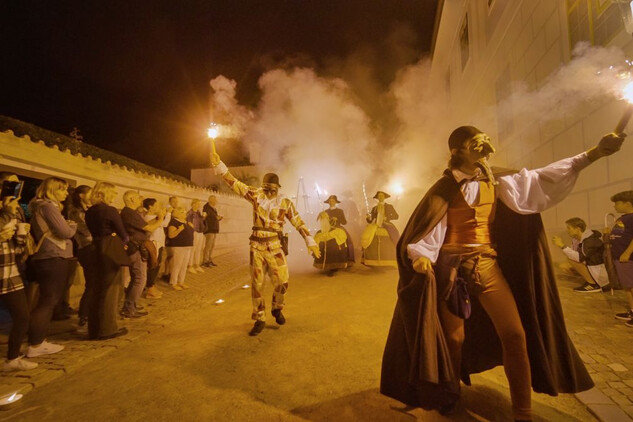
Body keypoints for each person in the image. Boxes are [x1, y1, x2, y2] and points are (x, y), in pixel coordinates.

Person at [381, 126, 623, 421]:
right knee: (454, 339)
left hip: (487, 265)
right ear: (457, 152)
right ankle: (451, 398)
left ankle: (522, 411)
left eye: (485, 140)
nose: (484, 146)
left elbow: (546, 176)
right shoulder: (443, 189)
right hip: (451, 271)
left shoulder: (500, 181)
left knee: (515, 334)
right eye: (475, 143)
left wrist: (595, 153)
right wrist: (420, 257)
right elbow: (430, 228)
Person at [210, 149, 320, 336]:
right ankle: (260, 317)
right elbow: (234, 184)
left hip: (275, 246)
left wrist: (310, 240)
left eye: (271, 189)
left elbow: (298, 222)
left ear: (278, 188)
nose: (268, 192)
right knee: (257, 284)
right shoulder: (255, 195)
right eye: (265, 188)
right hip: (257, 247)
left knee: (283, 282)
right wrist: (219, 166)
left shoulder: (285, 203)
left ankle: (277, 307)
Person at [27, 177, 77, 357]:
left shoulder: (39, 206)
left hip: (47, 256)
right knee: (48, 302)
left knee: (46, 301)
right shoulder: (48, 207)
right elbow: (65, 232)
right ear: (52, 190)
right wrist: (72, 226)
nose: (66, 193)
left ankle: (38, 340)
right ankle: (35, 344)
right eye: (62, 190)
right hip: (53, 255)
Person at [85, 182, 129, 340]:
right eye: (112, 193)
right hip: (109, 250)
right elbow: (123, 234)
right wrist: (122, 242)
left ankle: (94, 329)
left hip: (95, 248)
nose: (114, 196)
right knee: (111, 290)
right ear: (104, 194)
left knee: (97, 290)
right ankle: (107, 329)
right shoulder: (109, 210)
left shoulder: (89, 211)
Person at [0, 197, 37, 370]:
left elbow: (17, 251)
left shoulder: (7, 217)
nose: (16, 207)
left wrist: (21, 237)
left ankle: (12, 359)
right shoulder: (5, 215)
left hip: (10, 274)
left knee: (22, 316)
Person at [120, 190, 165, 318]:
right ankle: (129, 308)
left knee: (137, 278)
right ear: (132, 199)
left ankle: (130, 305)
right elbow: (149, 228)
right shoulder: (129, 212)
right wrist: (161, 218)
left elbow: (144, 225)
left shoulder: (131, 213)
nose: (141, 200)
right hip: (136, 248)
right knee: (140, 279)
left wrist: (156, 218)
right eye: (139, 197)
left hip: (136, 247)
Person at [552, 217, 608, 293]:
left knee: (571, 260)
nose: (567, 231)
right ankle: (590, 280)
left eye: (569, 228)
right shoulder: (576, 239)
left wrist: (562, 245)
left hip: (600, 271)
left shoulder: (590, 240)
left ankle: (593, 285)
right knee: (565, 265)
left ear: (577, 229)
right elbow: (572, 254)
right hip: (591, 266)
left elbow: (579, 258)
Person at [65, 185, 94, 330]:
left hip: (91, 246)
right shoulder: (74, 210)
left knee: (93, 282)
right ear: (82, 195)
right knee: (92, 282)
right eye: (90, 193)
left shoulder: (87, 208)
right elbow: (83, 228)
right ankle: (84, 314)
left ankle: (86, 313)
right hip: (86, 247)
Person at [609, 191, 633, 327]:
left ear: (628, 204)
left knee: (631, 286)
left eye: (617, 203)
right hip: (620, 256)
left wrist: (627, 253)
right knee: (627, 286)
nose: (615, 206)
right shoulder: (625, 218)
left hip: (627, 258)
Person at [361, 191, 399, 267]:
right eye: (379, 196)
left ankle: (395, 256)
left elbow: (396, 216)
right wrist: (368, 218)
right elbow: (370, 220)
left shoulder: (389, 206)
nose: (380, 197)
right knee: (367, 236)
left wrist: (387, 217)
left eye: (382, 196)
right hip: (376, 225)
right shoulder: (374, 208)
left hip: (387, 224)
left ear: (384, 197)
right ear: (377, 198)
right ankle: (372, 260)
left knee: (395, 236)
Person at [142, 198, 167, 299]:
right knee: (153, 265)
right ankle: (150, 288)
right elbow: (163, 224)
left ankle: (152, 285)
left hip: (159, 244)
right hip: (153, 244)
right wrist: (165, 215)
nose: (158, 207)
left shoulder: (156, 217)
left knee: (157, 265)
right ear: (150, 206)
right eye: (156, 205)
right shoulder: (148, 217)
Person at [313, 210, 351, 276]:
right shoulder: (326, 211)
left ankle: (334, 267)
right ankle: (325, 264)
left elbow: (343, 221)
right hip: (324, 231)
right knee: (321, 243)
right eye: (321, 220)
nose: (322, 221)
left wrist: (335, 220)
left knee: (333, 246)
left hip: (335, 227)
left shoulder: (340, 211)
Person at [166, 206, 194, 290]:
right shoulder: (174, 222)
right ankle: (173, 282)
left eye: (184, 211)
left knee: (184, 265)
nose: (184, 213)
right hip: (179, 246)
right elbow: (171, 235)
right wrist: (179, 230)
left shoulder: (186, 222)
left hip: (187, 246)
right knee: (177, 265)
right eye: (182, 212)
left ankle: (181, 282)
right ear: (176, 214)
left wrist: (191, 227)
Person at [187, 199, 206, 273]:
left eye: (199, 204)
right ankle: (190, 266)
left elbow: (201, 222)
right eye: (197, 204)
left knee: (198, 249)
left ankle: (197, 265)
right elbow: (188, 222)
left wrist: (204, 217)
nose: (198, 205)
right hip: (194, 232)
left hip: (200, 232)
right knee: (192, 249)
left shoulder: (198, 212)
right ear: (193, 204)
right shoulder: (190, 213)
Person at [202, 194, 222, 267]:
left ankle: (209, 260)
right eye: (214, 200)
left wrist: (217, 218)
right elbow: (205, 217)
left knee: (212, 246)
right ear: (210, 200)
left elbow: (213, 217)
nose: (215, 201)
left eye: (215, 200)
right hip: (209, 229)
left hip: (214, 229)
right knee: (208, 246)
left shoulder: (213, 208)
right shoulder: (206, 207)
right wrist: (216, 218)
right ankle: (205, 261)